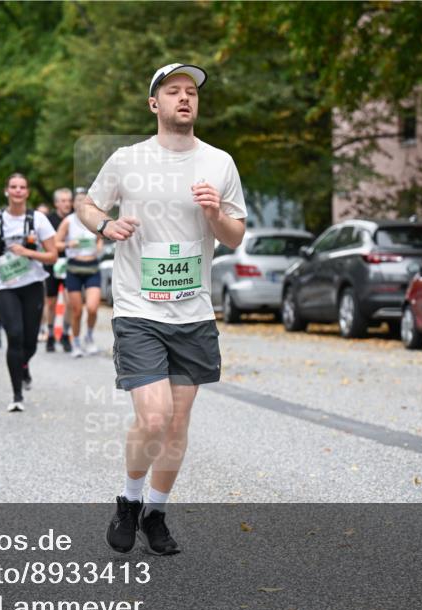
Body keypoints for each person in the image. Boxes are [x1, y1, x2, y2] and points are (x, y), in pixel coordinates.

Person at [80, 64, 246, 556]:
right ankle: (128, 500)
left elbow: (236, 236)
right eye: (173, 91)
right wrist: (104, 227)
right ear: (154, 104)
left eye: (190, 91)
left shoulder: (219, 163)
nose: (184, 98)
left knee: (177, 423)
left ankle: (156, 511)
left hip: (193, 312)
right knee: (154, 418)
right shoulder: (128, 159)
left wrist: (216, 213)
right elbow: (88, 205)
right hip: (137, 307)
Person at [0, 173, 58, 412]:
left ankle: (23, 365)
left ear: (27, 192)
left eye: (22, 187)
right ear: (6, 191)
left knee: (30, 342)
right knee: (14, 334)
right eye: (13, 186)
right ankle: (16, 395)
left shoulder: (39, 220)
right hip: (5, 286)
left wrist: (28, 253)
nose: (17, 191)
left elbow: (52, 256)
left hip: (32, 284)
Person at [55, 188, 103, 357]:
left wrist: (97, 249)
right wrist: (69, 245)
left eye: (85, 200)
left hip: (92, 268)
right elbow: (55, 243)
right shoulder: (68, 221)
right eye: (78, 200)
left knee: (92, 308)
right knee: (76, 310)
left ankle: (89, 337)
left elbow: (100, 240)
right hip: (74, 268)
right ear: (73, 203)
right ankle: (75, 342)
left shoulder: (94, 220)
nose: (81, 203)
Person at [43, 187, 74, 352]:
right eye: (63, 201)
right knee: (51, 301)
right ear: (56, 203)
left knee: (70, 300)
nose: (67, 204)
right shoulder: (48, 219)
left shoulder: (76, 218)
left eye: (69, 200)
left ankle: (65, 334)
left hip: (70, 263)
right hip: (52, 263)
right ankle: (49, 334)